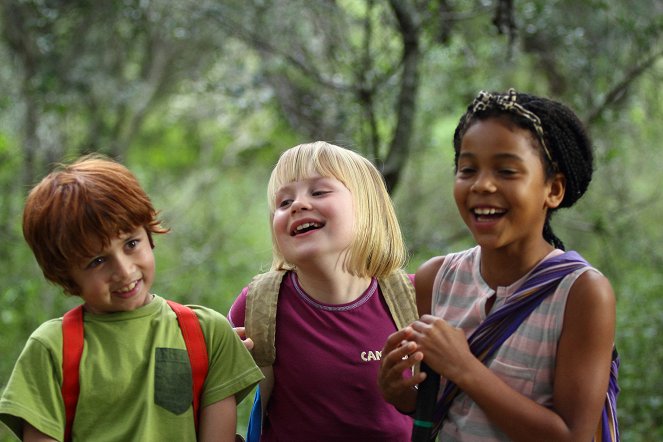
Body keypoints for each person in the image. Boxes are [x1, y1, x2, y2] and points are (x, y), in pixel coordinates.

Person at [377, 89, 618, 441]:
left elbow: (573, 435)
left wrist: (464, 368)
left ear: (553, 189)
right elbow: (448, 408)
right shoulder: (436, 280)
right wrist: (402, 396)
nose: (482, 185)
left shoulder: (581, 294)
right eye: (467, 169)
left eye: (506, 171)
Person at [0, 155, 263, 441]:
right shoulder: (51, 349)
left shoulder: (207, 333)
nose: (124, 271)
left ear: (148, 234)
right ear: (65, 274)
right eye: (97, 260)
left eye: (131, 243)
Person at [227, 141, 418, 441]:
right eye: (283, 202)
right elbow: (214, 399)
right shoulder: (258, 306)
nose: (298, 205)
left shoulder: (415, 298)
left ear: (367, 209)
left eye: (318, 192)